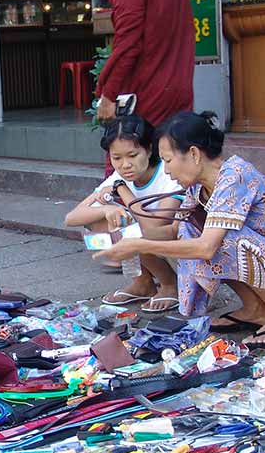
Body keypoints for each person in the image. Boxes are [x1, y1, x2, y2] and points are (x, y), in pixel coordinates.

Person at [96, 111, 265, 348]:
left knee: (222, 237)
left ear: (193, 154)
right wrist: (127, 229)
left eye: (168, 160)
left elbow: (206, 248)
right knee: (193, 229)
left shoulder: (235, 176)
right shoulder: (197, 187)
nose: (166, 170)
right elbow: (173, 233)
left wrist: (139, 245)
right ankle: (255, 309)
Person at [64, 115, 181, 313]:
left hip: (179, 248)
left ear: (149, 149)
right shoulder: (120, 176)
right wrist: (106, 209)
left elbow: (155, 229)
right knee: (101, 220)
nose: (125, 165)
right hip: (152, 243)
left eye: (132, 155)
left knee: (131, 229)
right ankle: (143, 283)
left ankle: (170, 284)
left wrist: (122, 191)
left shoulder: (168, 173)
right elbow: (71, 218)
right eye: (117, 158)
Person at [93, 0, 194, 130]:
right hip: (179, 87)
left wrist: (109, 94)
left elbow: (128, 44)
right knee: (174, 148)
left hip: (147, 91)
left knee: (137, 149)